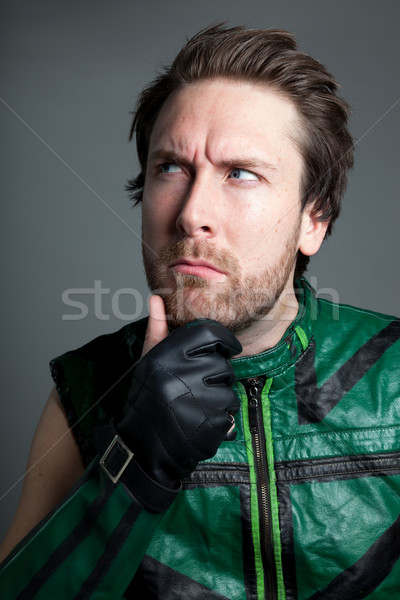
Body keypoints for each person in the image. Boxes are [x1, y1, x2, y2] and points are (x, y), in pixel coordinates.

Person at [1, 23, 399, 600]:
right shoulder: (85, 392)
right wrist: (131, 471)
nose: (192, 213)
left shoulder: (393, 375)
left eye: (240, 173)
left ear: (313, 219)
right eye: (171, 168)